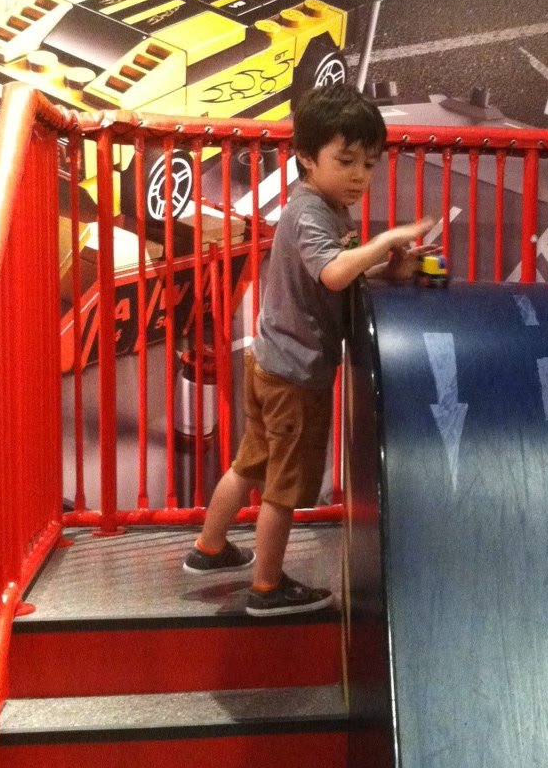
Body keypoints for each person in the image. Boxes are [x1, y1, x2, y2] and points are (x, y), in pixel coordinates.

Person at [183, 84, 434, 615]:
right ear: (305, 157)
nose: (359, 176)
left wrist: (388, 271)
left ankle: (210, 548)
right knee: (284, 487)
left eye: (369, 164)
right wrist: (384, 241)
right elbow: (335, 273)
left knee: (250, 464)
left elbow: (335, 277)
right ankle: (267, 588)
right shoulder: (310, 213)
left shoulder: (323, 208)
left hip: (272, 362)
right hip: (295, 376)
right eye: (345, 161)